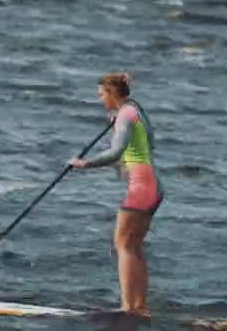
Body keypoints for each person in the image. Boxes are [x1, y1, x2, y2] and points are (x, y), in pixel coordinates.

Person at [70, 72, 164, 317]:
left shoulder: (125, 116)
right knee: (133, 246)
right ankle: (140, 307)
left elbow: (116, 152)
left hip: (142, 187)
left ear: (112, 93)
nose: (101, 100)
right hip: (154, 185)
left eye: (102, 95)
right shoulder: (136, 111)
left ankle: (128, 307)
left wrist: (85, 164)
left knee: (123, 245)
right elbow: (147, 145)